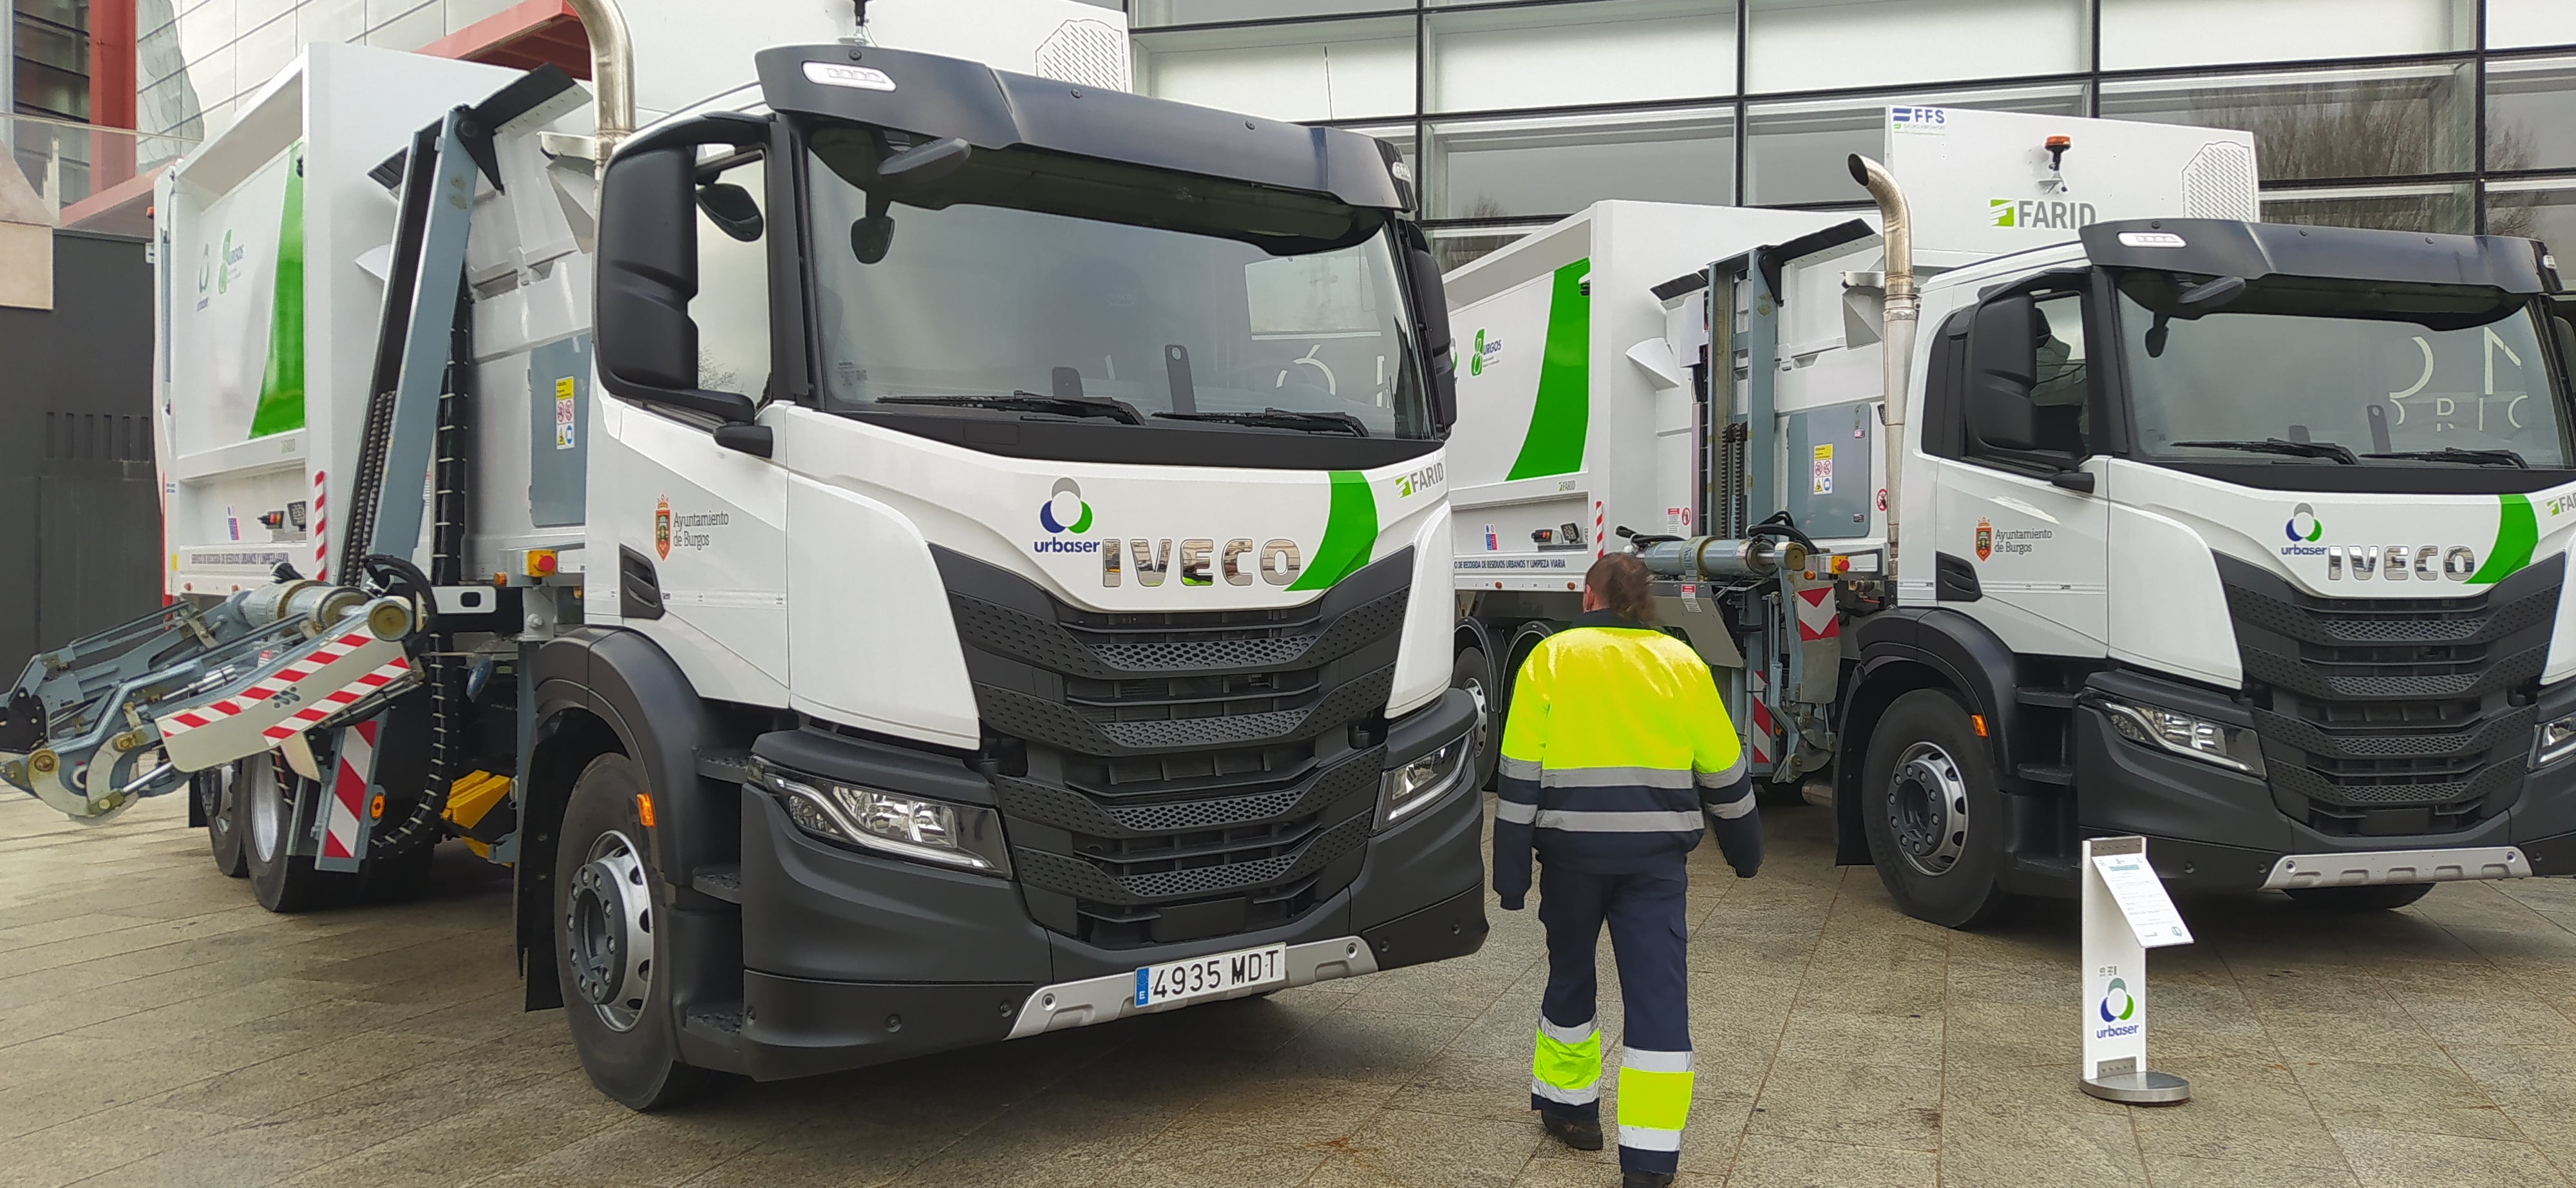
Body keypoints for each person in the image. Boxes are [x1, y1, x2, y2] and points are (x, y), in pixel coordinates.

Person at [1493, 553, 1761, 1188]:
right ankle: (1648, 1159)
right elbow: (1724, 771)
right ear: (1646, 603)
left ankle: (1571, 1110)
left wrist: (1510, 875)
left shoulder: (1551, 660)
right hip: (1654, 867)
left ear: (1589, 597)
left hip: (1571, 860)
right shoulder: (1682, 664)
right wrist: (1744, 851)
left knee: (1570, 976)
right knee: (1658, 998)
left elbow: (1518, 776)